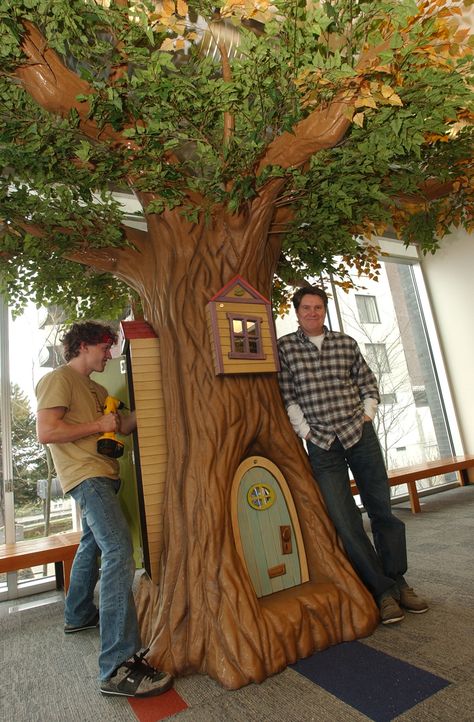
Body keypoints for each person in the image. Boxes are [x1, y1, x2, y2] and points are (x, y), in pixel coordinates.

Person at [36, 321, 173, 697]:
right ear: (83, 346)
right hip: (87, 476)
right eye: (104, 347)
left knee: (93, 545)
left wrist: (150, 406)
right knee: (118, 552)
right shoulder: (59, 379)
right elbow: (46, 431)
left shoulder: (95, 388)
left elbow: (123, 425)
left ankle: (78, 614)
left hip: (105, 475)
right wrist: (99, 423)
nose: (109, 354)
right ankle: (117, 667)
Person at [277, 286, 428, 625]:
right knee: (346, 523)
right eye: (306, 308)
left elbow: (367, 382)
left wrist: (368, 412)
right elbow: (287, 396)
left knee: (382, 511)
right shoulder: (284, 348)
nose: (313, 313)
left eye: (318, 307)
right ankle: (382, 591)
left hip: (360, 435)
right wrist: (306, 432)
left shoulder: (345, 343)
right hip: (322, 444)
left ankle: (399, 581)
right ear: (297, 312)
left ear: (324, 310)